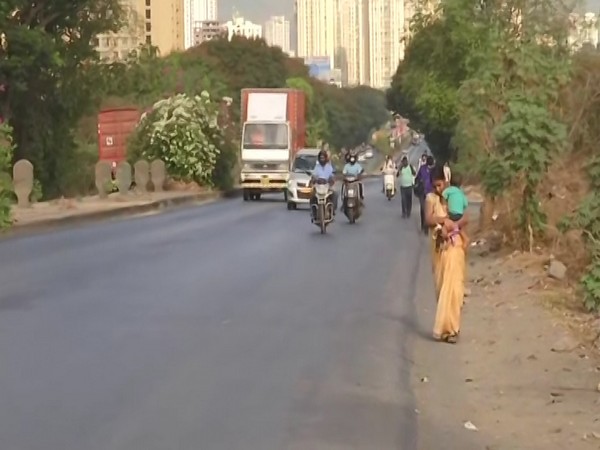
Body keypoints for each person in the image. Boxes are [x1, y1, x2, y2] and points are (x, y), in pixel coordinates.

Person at [425, 166, 468, 344]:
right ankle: (444, 328)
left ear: (447, 181)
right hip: (438, 249)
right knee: (442, 288)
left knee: (454, 289)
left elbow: (466, 218)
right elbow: (428, 219)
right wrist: (443, 221)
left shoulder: (455, 196)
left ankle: (453, 329)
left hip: (455, 247)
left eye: (440, 185)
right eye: (435, 186)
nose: (438, 189)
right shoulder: (431, 199)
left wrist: (453, 227)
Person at [442, 172, 469, 246]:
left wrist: (446, 204)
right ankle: (465, 240)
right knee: (461, 229)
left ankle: (447, 237)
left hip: (451, 215)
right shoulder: (461, 193)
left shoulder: (449, 190)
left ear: (450, 182)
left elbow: (443, 195)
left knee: (444, 229)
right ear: (460, 184)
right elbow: (465, 204)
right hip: (459, 215)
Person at [310, 149, 338, 216]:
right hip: (318, 185)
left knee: (335, 194)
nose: (322, 159)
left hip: (327, 185)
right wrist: (312, 180)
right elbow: (314, 175)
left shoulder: (329, 167)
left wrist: (331, 180)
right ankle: (313, 211)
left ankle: (332, 209)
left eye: (323, 158)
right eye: (320, 158)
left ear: (326, 158)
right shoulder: (317, 167)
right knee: (312, 195)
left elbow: (332, 176)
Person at [415, 155, 435, 233]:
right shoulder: (422, 168)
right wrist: (418, 182)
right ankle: (423, 225)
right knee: (423, 209)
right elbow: (417, 178)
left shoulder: (434, 170)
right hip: (422, 192)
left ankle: (428, 225)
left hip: (431, 192)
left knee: (430, 210)